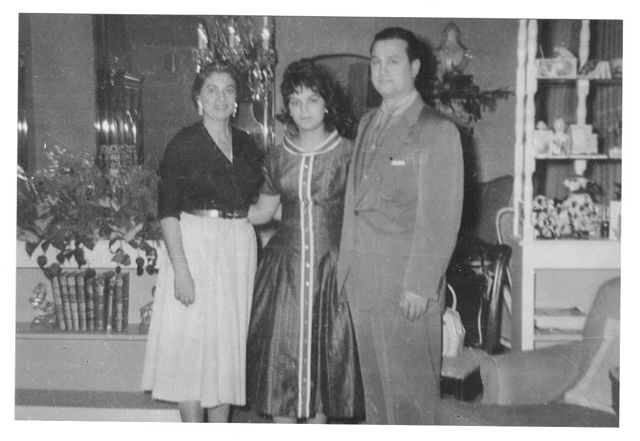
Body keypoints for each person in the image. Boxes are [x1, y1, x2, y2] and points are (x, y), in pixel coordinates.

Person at [336, 27, 464, 425]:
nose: (381, 70)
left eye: (392, 61)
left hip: (405, 285)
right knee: (376, 398)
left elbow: (440, 218)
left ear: (414, 67)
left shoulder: (436, 130)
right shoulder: (367, 123)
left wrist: (420, 283)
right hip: (363, 282)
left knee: (411, 401)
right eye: (375, 62)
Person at [141, 61, 264, 422]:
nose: (221, 97)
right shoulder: (184, 142)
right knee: (190, 350)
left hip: (237, 248)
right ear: (199, 98)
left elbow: (252, 206)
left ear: (237, 99)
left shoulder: (246, 144)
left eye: (228, 90)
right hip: (194, 246)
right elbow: (167, 211)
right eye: (212, 89)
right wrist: (181, 270)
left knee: (226, 348)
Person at [246, 59, 365, 424]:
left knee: (326, 369)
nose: (303, 110)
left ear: (326, 103)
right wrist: (214, 208)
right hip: (285, 272)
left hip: (333, 269)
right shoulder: (278, 156)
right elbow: (263, 213)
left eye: (312, 100)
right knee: (282, 369)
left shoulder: (349, 153)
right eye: (295, 101)